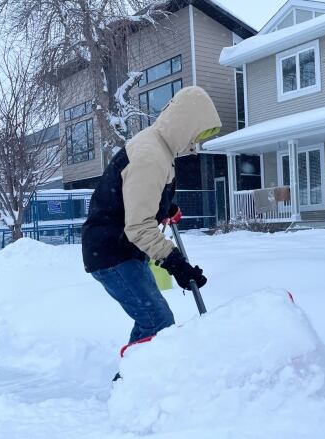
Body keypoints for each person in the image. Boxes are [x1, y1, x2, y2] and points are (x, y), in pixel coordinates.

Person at [82, 86, 221, 351]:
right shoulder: (150, 155)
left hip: (119, 249)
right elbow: (138, 226)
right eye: (196, 134)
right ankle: (131, 385)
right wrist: (175, 263)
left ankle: (142, 377)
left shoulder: (158, 146)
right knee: (157, 321)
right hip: (111, 252)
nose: (195, 144)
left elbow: (139, 195)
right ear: (186, 124)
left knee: (153, 320)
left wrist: (166, 206)